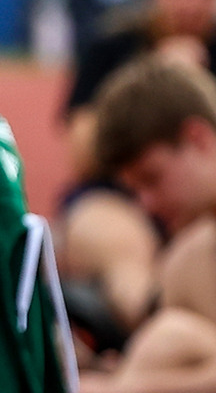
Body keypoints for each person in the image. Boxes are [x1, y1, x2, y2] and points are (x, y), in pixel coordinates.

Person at [62, 0, 216, 336]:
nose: (192, 2)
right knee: (123, 243)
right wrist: (155, 78)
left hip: (198, 209)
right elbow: (82, 155)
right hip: (114, 200)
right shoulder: (114, 45)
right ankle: (147, 317)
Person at [77, 57, 216, 393]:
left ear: (198, 138)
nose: (146, 204)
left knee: (173, 339)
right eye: (135, 189)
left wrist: (127, 387)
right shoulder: (187, 259)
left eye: (152, 179)